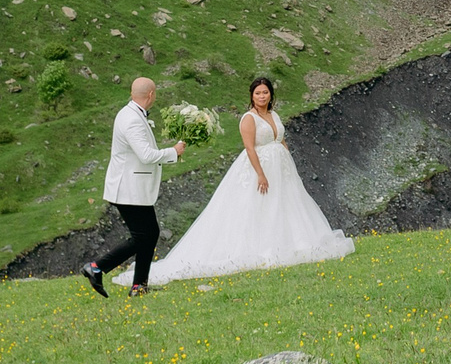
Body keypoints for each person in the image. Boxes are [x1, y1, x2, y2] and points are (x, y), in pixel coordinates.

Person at [140, 74, 354, 283]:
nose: (262, 96)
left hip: (281, 168)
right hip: (259, 166)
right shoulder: (249, 118)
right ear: (252, 96)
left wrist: (291, 165)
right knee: (258, 204)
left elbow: (281, 140)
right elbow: (250, 148)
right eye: (258, 93)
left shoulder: (275, 115)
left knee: (287, 203)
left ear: (271, 95)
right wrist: (260, 173)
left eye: (265, 92)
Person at [82, 76, 183, 299]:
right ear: (151, 95)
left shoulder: (130, 114)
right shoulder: (132, 119)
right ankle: (97, 267)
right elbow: (146, 155)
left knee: (150, 233)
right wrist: (173, 151)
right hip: (128, 188)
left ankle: (139, 286)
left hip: (131, 187)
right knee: (142, 236)